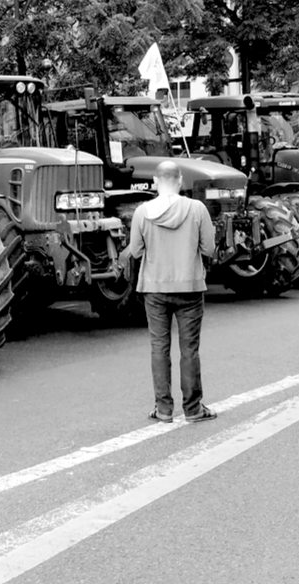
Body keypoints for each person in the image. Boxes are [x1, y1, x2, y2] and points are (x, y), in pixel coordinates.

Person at [117, 161, 218, 424]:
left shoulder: (142, 212)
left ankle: (163, 409)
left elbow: (136, 252)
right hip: (190, 287)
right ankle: (193, 409)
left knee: (159, 348)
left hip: (154, 288)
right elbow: (208, 249)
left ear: (154, 181)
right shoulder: (197, 209)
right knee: (189, 350)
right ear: (181, 180)